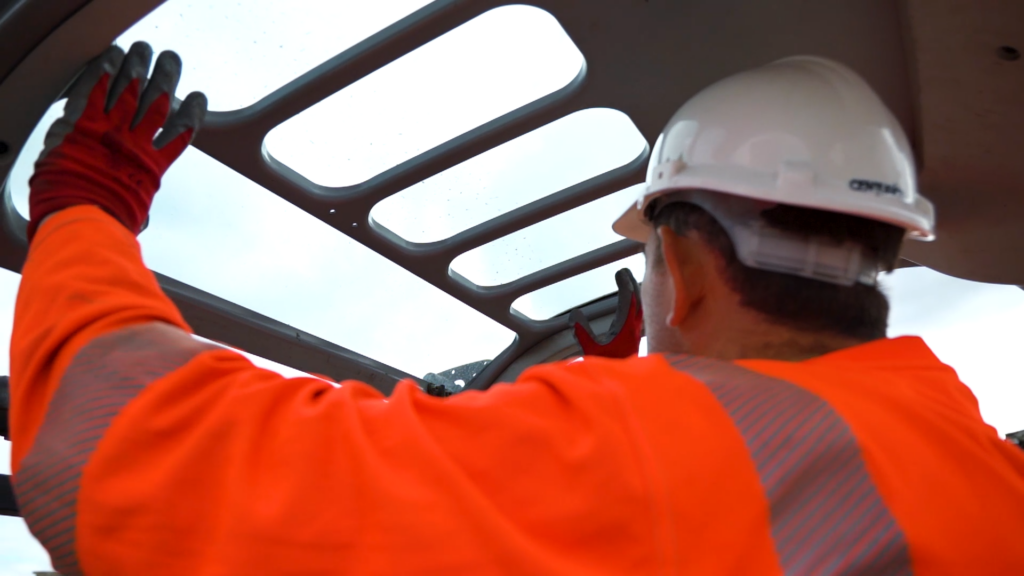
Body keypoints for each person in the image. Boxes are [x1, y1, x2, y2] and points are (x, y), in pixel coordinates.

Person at [8, 41, 1024, 575]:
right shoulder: (981, 466)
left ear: (685, 264)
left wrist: (88, 205)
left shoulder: (650, 449)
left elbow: (131, 448)